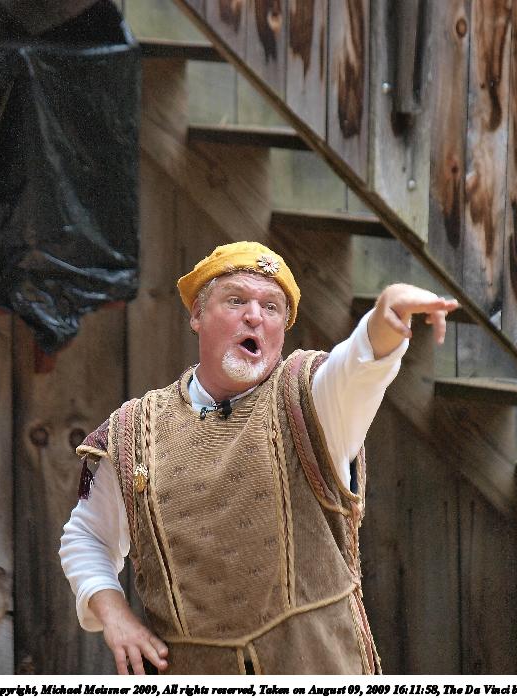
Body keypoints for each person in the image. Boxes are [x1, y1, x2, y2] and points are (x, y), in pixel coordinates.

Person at [60, 241, 458, 675]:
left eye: (271, 307)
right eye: (236, 300)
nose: (255, 316)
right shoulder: (134, 431)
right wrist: (114, 615)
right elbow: (87, 537)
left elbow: (359, 366)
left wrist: (387, 315)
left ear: (282, 330)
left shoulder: (310, 400)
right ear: (197, 315)